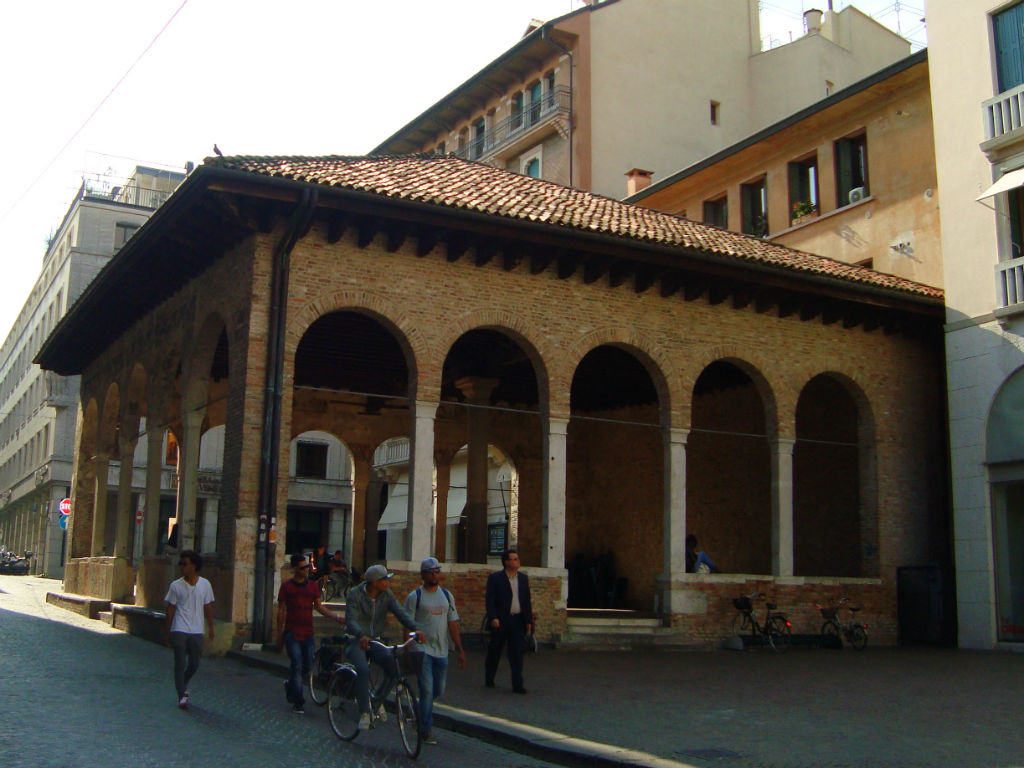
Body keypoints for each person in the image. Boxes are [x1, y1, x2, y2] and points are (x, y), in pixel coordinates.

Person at [345, 564, 424, 730]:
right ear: (374, 582)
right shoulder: (355, 594)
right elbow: (351, 619)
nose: (388, 583)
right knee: (363, 670)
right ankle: (365, 712)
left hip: (375, 639)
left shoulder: (386, 595)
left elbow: (400, 612)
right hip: (356, 639)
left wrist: (415, 628)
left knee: (393, 668)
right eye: (385, 580)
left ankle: (377, 699)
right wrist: (360, 635)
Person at [404, 557, 466, 745]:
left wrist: (460, 649)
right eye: (430, 572)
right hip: (421, 649)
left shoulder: (446, 596)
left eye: (437, 571)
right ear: (423, 575)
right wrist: (407, 648)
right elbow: (407, 624)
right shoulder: (415, 597)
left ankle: (420, 713)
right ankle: (426, 729)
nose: (434, 575)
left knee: (437, 689)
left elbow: (453, 624)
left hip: (442, 649)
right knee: (427, 689)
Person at [276, 553, 345, 714]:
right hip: (292, 632)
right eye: (302, 568)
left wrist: (336, 617)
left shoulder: (312, 586)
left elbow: (319, 606)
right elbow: (281, 610)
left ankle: (291, 686)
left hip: (308, 632)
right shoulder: (286, 587)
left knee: (307, 666)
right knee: (297, 664)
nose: (306, 570)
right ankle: (299, 701)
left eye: (307, 567)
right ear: (295, 569)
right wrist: (279, 633)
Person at [163, 550, 215, 710]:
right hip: (179, 628)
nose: (181, 567)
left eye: (184, 564)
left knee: (194, 663)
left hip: (197, 629)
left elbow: (207, 607)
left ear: (193, 566)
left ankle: (182, 684)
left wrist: (211, 627)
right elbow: (170, 609)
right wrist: (168, 631)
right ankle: (182, 695)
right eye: (181, 564)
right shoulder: (175, 586)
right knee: (180, 662)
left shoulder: (205, 584)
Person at [484, 548, 532, 694]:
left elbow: (526, 601)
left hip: (517, 619)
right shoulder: (496, 578)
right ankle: (489, 677)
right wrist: (493, 617)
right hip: (501, 619)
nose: (517, 561)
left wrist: (528, 620)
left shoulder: (523, 579)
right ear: (506, 562)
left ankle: (518, 684)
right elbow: (490, 600)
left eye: (517, 558)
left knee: (517, 653)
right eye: (514, 559)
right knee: (495, 650)